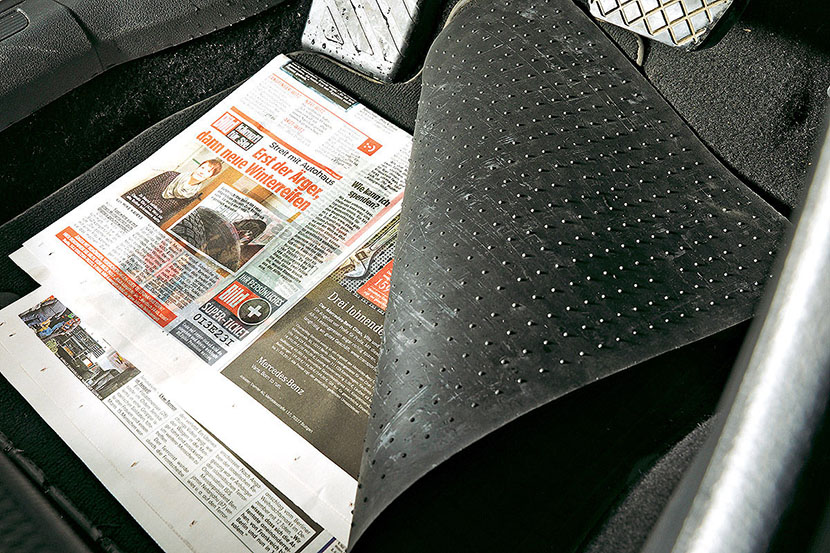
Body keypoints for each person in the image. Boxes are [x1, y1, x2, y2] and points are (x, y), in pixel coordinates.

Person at [122, 158, 223, 226]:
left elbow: (171, 214)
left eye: (208, 171)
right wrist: (122, 200)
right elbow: (142, 188)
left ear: (210, 177)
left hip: (147, 220)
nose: (202, 172)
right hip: (130, 208)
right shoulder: (170, 175)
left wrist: (154, 226)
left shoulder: (192, 196)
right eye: (202, 167)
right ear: (198, 167)